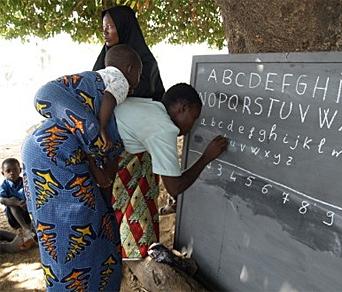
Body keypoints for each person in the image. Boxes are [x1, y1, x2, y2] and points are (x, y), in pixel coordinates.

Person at [21, 44, 142, 291]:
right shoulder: (115, 86)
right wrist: (98, 132)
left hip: (38, 155)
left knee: (58, 233)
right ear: (129, 69)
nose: (136, 86)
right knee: (77, 230)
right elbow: (105, 102)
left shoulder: (76, 97)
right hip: (54, 159)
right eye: (137, 77)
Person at [108, 83, 228, 259]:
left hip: (100, 153)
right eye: (193, 118)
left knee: (147, 162)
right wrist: (206, 157)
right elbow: (175, 187)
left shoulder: (151, 107)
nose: (192, 126)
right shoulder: (163, 128)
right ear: (182, 109)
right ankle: (134, 250)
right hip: (97, 162)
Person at [93, 5, 165, 101]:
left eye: (109, 27)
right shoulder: (103, 59)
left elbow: (154, 95)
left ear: (124, 27)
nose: (105, 32)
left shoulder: (147, 63)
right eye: (104, 27)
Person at [0, 158, 34, 244]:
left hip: (26, 212)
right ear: (3, 173)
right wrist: (17, 203)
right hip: (14, 218)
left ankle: (34, 224)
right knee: (11, 201)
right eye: (8, 171)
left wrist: (26, 202)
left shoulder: (26, 182)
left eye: (15, 169)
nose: (12, 172)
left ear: (20, 170)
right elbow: (2, 200)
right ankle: (25, 228)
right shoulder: (5, 186)